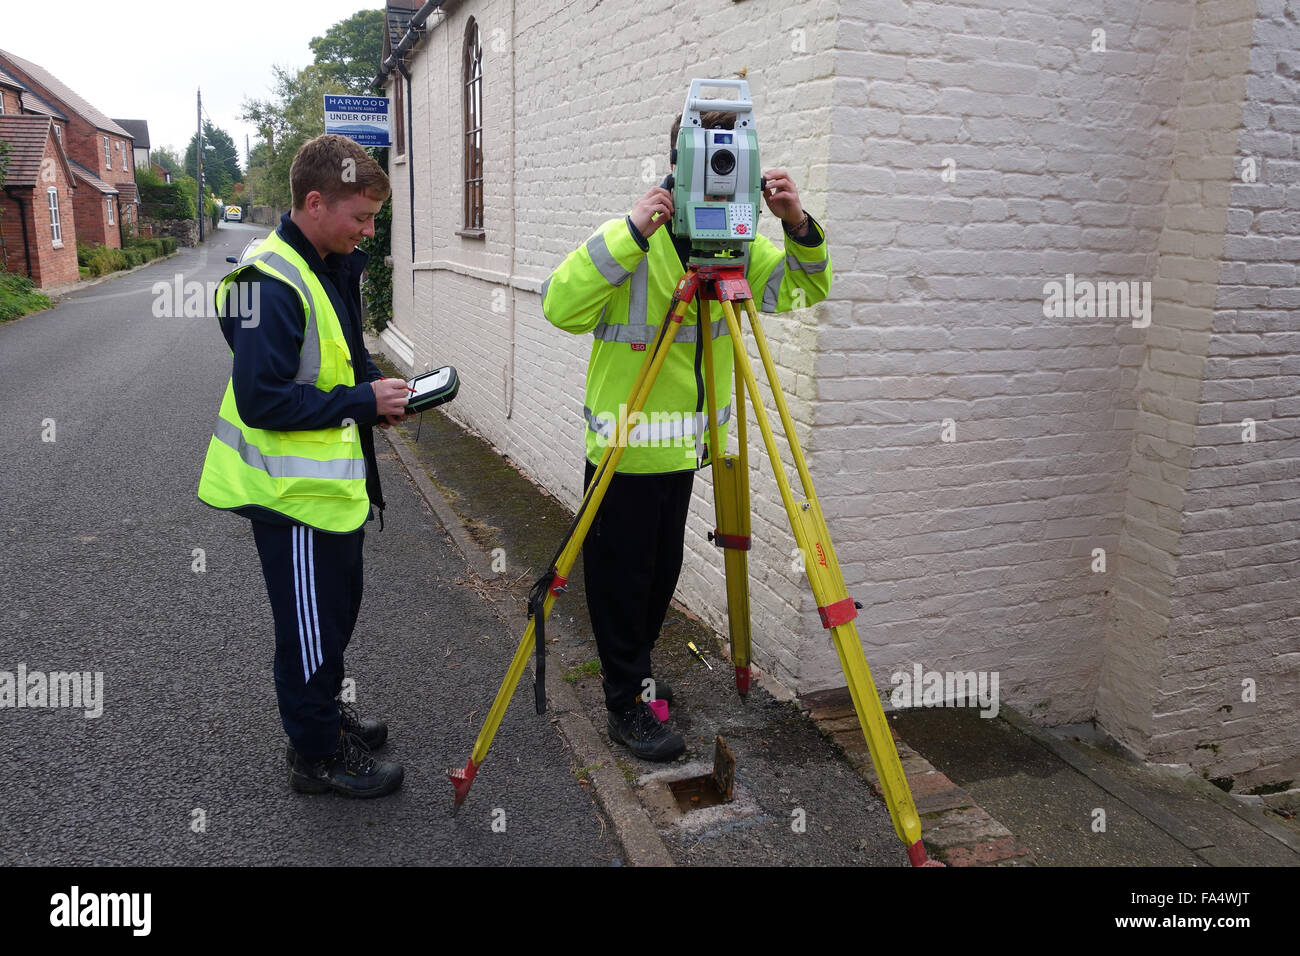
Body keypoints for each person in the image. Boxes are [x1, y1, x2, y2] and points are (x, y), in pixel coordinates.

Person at [541, 111, 833, 760]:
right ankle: (625, 705)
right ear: (679, 162)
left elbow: (804, 287)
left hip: (683, 455)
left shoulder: (733, 246)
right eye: (709, 159)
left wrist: (797, 225)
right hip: (623, 451)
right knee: (621, 587)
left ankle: (637, 677)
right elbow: (559, 306)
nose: (719, 175)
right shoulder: (631, 241)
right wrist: (629, 234)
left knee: (659, 576)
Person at [197, 134, 411, 797]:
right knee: (309, 632)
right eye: (361, 216)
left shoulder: (323, 264)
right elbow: (263, 398)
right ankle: (316, 756)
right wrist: (361, 400)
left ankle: (325, 716)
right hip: (291, 500)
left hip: (325, 496)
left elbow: (339, 359)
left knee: (332, 616)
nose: (369, 230)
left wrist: (376, 394)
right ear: (314, 203)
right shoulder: (276, 280)